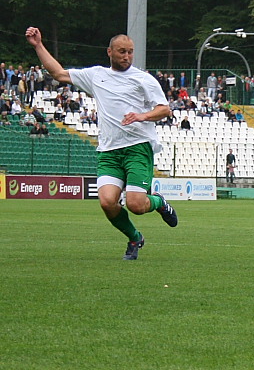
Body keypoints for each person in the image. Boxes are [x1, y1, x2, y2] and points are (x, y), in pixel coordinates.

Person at [26, 26, 178, 261]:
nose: (126, 56)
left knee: (136, 205)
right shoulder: (96, 75)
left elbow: (164, 109)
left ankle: (159, 202)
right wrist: (38, 45)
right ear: (109, 52)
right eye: (121, 52)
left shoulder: (143, 79)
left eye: (130, 52)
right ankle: (135, 237)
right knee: (107, 202)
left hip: (137, 147)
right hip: (109, 151)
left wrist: (142, 116)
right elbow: (59, 74)